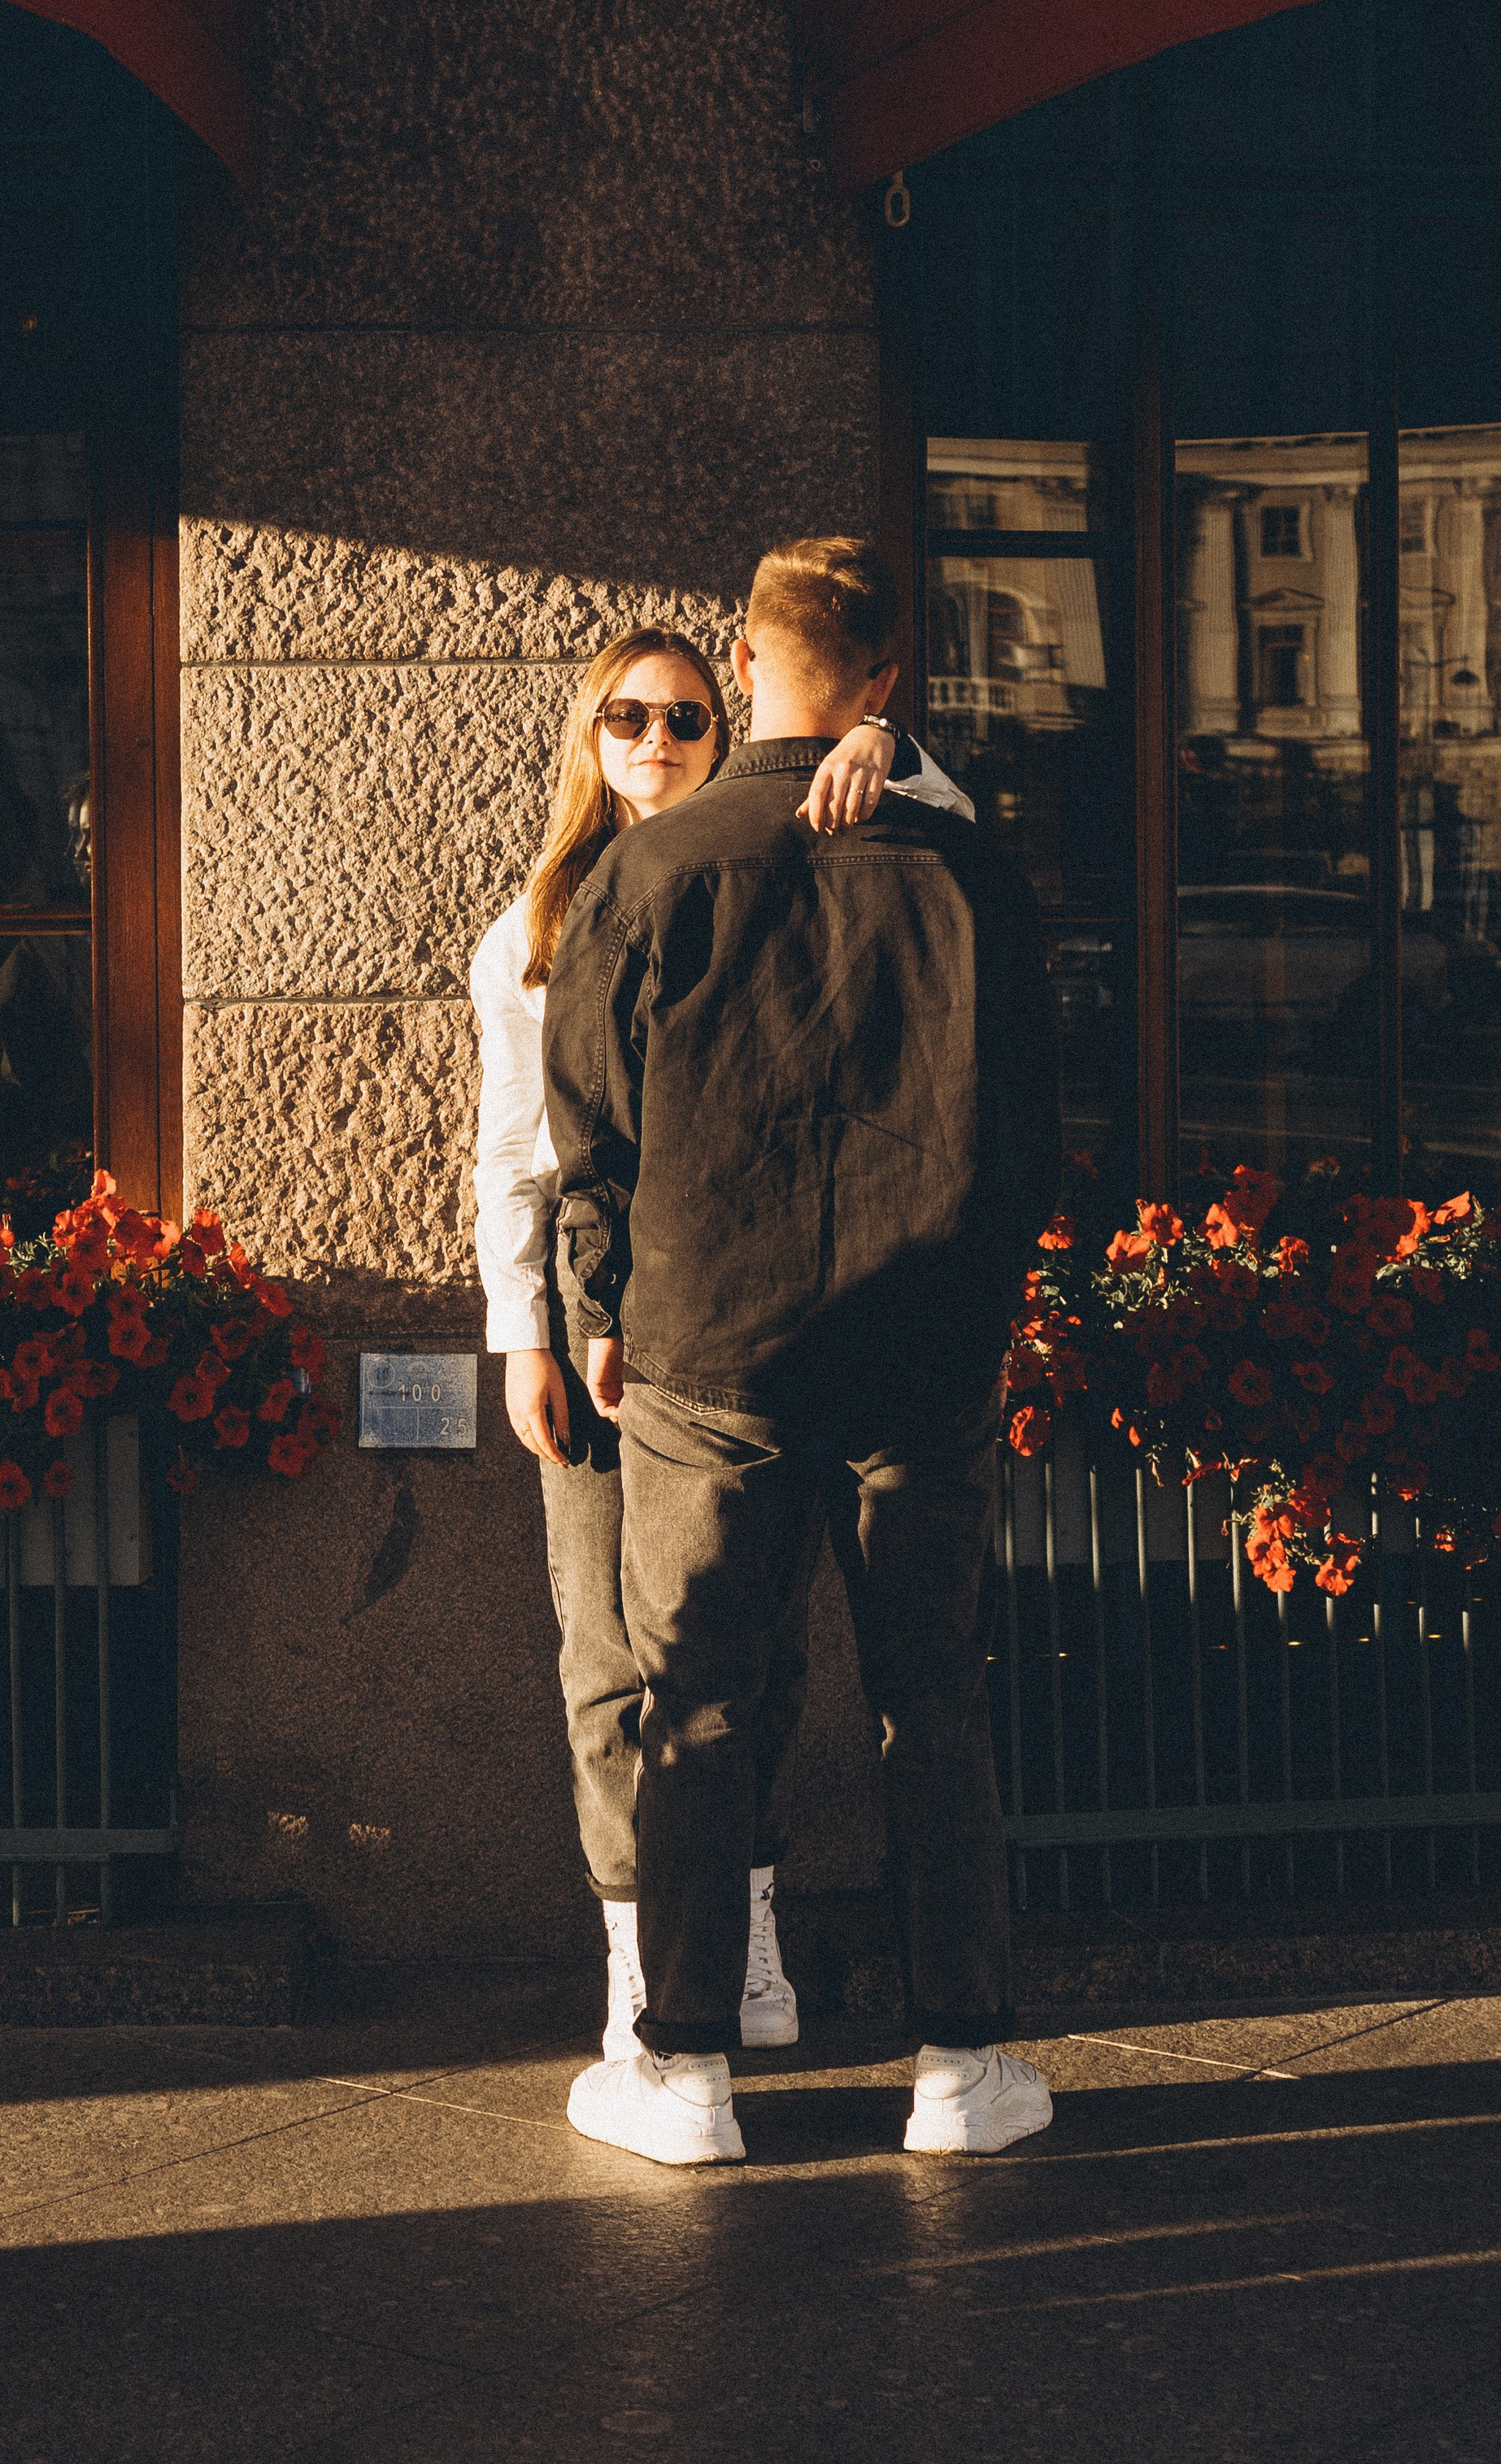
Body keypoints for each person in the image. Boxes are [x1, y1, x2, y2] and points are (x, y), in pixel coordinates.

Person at [542, 541, 1060, 2166]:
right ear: (887, 685)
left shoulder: (660, 865)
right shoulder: (963, 871)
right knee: (931, 1700)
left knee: (693, 1703)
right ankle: (958, 2067)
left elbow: (587, 1128)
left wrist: (598, 1306)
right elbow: (1036, 1132)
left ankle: (683, 2074)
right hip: (916, 1351)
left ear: (748, 663)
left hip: (712, 1354)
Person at [471, 621, 972, 2064]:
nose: (655, 742)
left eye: (687, 718)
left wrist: (896, 748)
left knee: (752, 1648)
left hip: (746, 1324)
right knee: (613, 1652)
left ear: (730, 724)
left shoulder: (789, 859)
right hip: (594, 1322)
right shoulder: (544, 924)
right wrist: (530, 1337)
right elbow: (517, 1153)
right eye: (625, 716)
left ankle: (741, 1954)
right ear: (591, 737)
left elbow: (956, 847)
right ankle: (641, 1969)